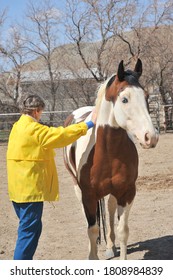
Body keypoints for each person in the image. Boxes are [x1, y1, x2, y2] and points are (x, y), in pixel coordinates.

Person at [6, 94, 96, 260]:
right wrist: (88, 124)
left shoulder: (17, 126)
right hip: (30, 192)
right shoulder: (34, 129)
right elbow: (61, 136)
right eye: (41, 112)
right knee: (28, 232)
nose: (41, 115)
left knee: (32, 228)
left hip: (17, 191)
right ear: (36, 111)